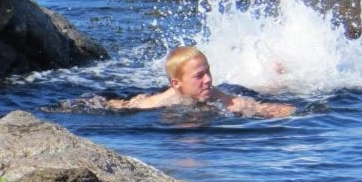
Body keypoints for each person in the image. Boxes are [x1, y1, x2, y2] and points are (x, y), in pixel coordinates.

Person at [106, 46, 294, 118]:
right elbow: (122, 105)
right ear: (176, 84)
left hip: (230, 91)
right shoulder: (155, 103)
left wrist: (282, 111)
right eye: (199, 76)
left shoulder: (226, 101)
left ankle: (276, 75)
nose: (208, 80)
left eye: (208, 71)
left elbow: (272, 109)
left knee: (266, 89)